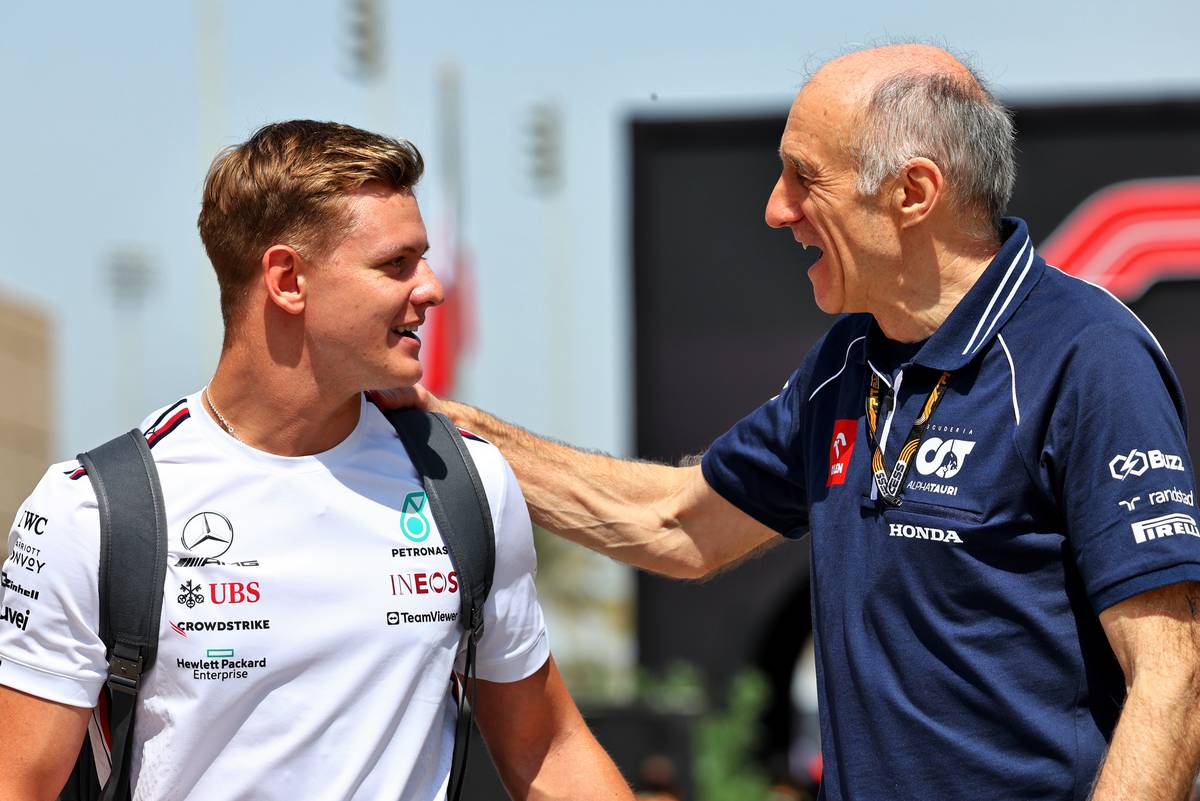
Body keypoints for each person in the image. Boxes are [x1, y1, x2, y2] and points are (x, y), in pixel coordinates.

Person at [378, 45, 1200, 800]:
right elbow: (676, 522)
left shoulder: (1088, 353)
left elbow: (1174, 676)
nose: (777, 210)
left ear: (913, 193)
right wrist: (447, 428)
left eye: (805, 177)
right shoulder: (849, 359)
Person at [0, 120, 632, 801]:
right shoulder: (92, 512)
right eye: (397, 263)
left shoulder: (465, 484)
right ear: (287, 279)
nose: (431, 288)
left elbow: (545, 746)